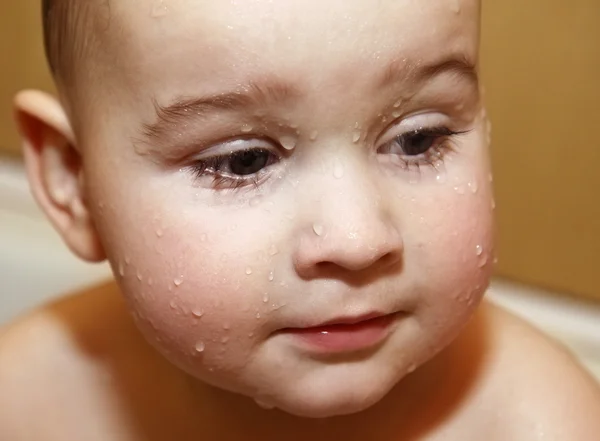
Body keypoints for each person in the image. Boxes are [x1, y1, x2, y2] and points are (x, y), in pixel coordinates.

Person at [2, 0, 599, 439]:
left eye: (418, 139)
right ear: (74, 183)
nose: (358, 239)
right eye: (244, 160)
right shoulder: (24, 400)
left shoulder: (541, 423)